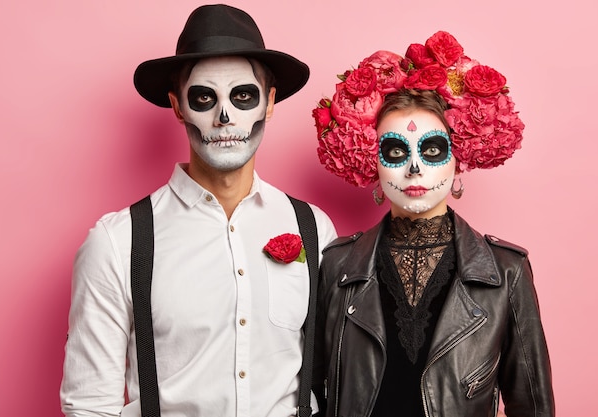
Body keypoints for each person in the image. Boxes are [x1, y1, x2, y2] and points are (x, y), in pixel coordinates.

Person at [60, 4, 337, 417]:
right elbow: (88, 405)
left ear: (270, 103)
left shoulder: (313, 229)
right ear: (178, 107)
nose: (225, 117)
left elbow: (335, 377)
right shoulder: (118, 243)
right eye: (204, 97)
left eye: (243, 96)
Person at [311, 31, 554, 417]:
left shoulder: (507, 270)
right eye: (394, 151)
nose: (413, 168)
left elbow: (533, 405)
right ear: (371, 161)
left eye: (432, 150)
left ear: (458, 158)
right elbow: (314, 395)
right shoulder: (338, 266)